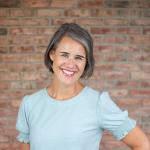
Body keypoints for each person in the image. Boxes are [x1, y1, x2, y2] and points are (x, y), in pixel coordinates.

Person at [16, 23, 150, 150]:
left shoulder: (98, 103)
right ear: (52, 54)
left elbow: (142, 144)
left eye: (79, 58)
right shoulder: (30, 103)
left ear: (86, 62)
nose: (70, 64)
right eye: (64, 55)